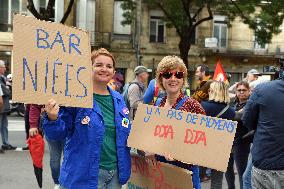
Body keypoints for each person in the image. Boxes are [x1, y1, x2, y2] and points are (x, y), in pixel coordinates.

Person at [43, 48, 131, 189]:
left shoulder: (119, 99)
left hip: (114, 176)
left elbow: (126, 134)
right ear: (88, 68)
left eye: (109, 66)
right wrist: (52, 118)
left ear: (114, 72)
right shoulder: (75, 97)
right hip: (82, 176)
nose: (104, 69)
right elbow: (56, 134)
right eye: (98, 65)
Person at [154, 55, 205, 189]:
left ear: (183, 79)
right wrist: (148, 150)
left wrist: (180, 155)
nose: (173, 79)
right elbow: (152, 136)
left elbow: (205, 144)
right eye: (167, 74)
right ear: (161, 78)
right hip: (161, 171)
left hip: (185, 173)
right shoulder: (158, 104)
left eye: (178, 74)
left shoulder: (193, 106)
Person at [242, 75, 284, 189]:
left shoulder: (263, 90)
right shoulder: (263, 89)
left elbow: (247, 120)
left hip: (265, 162)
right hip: (266, 163)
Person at [201, 81, 235, 189]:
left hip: (202, 146)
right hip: (221, 149)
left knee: (196, 177)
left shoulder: (203, 106)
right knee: (217, 182)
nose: (208, 91)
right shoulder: (230, 111)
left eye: (210, 90)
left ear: (214, 91)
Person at [29, 104, 64, 189]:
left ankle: (60, 182)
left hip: (66, 125)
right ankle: (57, 182)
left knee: (64, 158)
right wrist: (33, 125)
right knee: (55, 158)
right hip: (52, 125)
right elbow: (35, 104)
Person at [225, 81, 251, 189]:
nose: (241, 92)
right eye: (239, 90)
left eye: (244, 90)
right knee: (227, 169)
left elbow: (238, 116)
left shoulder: (251, 104)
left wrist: (230, 113)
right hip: (228, 141)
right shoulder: (233, 104)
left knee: (242, 172)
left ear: (249, 91)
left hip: (241, 141)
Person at [0, 60, 16, 151]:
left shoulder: (3, 77)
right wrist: (7, 88)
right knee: (1, 125)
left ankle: (5, 143)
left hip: (4, 106)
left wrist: (7, 87)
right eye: (3, 67)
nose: (5, 68)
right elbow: (6, 90)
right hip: (1, 105)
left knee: (4, 125)